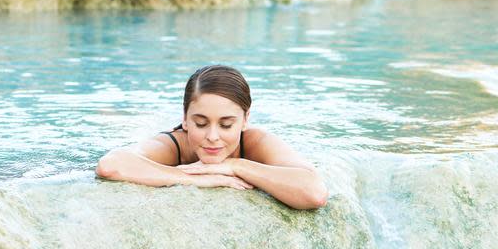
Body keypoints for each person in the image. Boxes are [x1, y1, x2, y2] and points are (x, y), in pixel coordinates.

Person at [95, 65, 328, 210]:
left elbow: (314, 192)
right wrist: (190, 177)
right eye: (201, 123)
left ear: (245, 119)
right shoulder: (174, 145)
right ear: (185, 118)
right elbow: (110, 165)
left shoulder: (254, 141)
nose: (213, 137)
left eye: (226, 125)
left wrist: (235, 166)